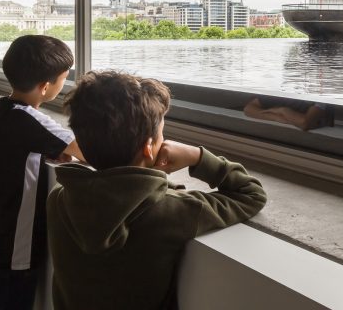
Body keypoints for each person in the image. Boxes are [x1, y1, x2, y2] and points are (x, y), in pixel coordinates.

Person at [48, 70, 267, 310]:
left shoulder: (59, 199)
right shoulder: (175, 211)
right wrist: (197, 156)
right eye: (162, 133)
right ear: (149, 148)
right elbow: (251, 194)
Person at [0, 35, 86, 310]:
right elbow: (86, 151)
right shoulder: (29, 119)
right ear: (45, 87)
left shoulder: (0, 111)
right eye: (63, 80)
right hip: (10, 256)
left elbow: (21, 147)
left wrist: (48, 150)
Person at [243, 95, 335, 131]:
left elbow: (304, 123)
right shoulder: (283, 90)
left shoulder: (321, 94)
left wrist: (283, 111)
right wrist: (276, 117)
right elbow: (249, 109)